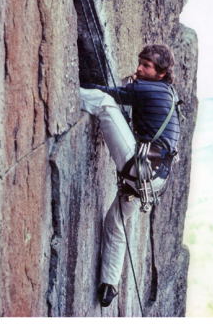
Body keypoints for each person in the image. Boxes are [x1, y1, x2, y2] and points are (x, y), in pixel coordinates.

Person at [79, 44, 181, 307]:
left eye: (146, 65)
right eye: (140, 62)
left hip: (140, 168)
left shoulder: (148, 88)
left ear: (160, 73)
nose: (139, 67)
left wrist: (74, 83)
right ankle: (109, 286)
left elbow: (111, 94)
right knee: (116, 220)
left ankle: (67, 94)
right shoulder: (168, 91)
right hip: (154, 179)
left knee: (102, 103)